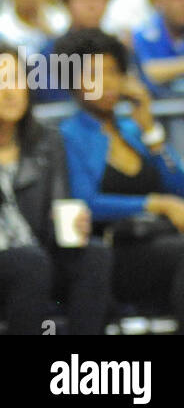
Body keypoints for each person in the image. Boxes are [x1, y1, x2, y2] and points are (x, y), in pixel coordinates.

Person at [53, 29, 184, 335]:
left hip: (159, 239)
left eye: (113, 72)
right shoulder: (68, 135)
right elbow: (85, 201)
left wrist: (152, 132)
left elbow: (182, 190)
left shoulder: (134, 131)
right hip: (114, 251)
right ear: (73, 83)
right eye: (93, 74)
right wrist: (157, 203)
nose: (106, 83)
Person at [0, 43, 114, 334]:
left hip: (34, 256)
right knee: (31, 263)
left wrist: (73, 225)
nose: (10, 91)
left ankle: (81, 371)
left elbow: (55, 218)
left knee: (94, 256)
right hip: (17, 260)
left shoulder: (47, 141)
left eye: (16, 79)